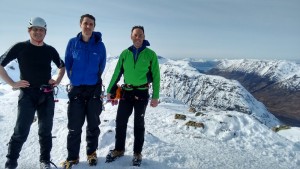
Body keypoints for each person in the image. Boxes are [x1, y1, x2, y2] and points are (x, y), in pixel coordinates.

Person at [0, 17, 65, 169]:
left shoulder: (50, 50)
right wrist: (12, 83)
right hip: (27, 95)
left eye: (41, 30)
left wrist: (57, 80)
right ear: (29, 30)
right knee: (21, 131)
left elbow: (62, 66)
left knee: (45, 131)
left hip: (46, 95)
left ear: (45, 32)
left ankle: (45, 161)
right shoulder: (20, 47)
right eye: (35, 29)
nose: (38, 32)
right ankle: (11, 163)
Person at [105, 25, 160, 166]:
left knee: (138, 124)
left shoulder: (150, 54)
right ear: (131, 36)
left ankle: (137, 153)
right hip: (127, 92)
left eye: (140, 35)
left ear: (144, 36)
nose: (138, 37)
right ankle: (119, 149)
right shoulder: (125, 54)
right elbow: (117, 73)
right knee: (120, 121)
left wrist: (155, 96)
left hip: (142, 93)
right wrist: (110, 90)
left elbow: (156, 76)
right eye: (135, 35)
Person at [61, 14, 106, 169]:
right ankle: (72, 157)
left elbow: (102, 66)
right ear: (80, 24)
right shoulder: (72, 43)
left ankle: (91, 153)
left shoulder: (100, 45)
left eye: (91, 24)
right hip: (76, 89)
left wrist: (91, 80)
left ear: (94, 26)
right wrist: (75, 79)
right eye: (85, 23)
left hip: (93, 89)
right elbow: (68, 63)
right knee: (74, 126)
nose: (88, 26)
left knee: (93, 124)